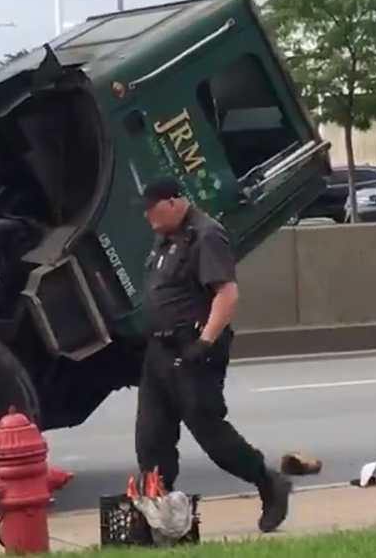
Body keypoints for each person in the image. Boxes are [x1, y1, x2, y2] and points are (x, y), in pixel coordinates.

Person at [134, 177, 292, 532]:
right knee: (151, 439)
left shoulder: (206, 235)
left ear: (173, 202)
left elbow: (227, 294)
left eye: (151, 208)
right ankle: (158, 516)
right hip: (158, 353)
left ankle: (268, 482)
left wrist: (204, 343)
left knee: (211, 435)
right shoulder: (165, 239)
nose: (147, 216)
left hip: (192, 351)